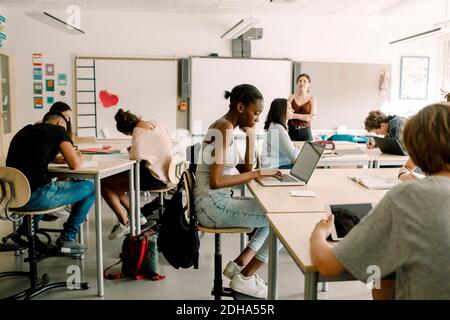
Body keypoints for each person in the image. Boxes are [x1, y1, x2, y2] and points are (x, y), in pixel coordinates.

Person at [310, 103, 450, 300]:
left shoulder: (408, 196)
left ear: (415, 150)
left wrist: (318, 233)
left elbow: (327, 265)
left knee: (377, 270)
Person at [194, 84, 282, 299]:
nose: (257, 118)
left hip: (215, 202)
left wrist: (251, 136)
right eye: (256, 113)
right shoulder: (224, 128)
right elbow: (216, 181)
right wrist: (258, 174)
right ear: (241, 107)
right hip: (212, 205)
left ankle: (241, 264)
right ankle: (246, 276)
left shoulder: (226, 127)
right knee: (280, 218)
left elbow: (246, 169)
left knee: (275, 213)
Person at [6, 111, 95, 255]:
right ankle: (67, 238)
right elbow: (75, 165)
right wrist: (80, 156)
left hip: (11, 198)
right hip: (37, 198)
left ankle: (24, 231)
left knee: (40, 183)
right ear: (61, 123)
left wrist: (54, 159)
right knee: (92, 187)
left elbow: (31, 154)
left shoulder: (25, 130)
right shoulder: (59, 130)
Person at [101, 109, 172, 240]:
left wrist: (133, 147)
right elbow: (152, 145)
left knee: (104, 183)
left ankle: (125, 222)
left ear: (127, 131)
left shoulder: (138, 131)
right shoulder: (155, 123)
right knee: (116, 184)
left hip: (155, 177)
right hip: (167, 173)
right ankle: (137, 217)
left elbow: (134, 156)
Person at [261, 98, 300, 169]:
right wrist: (296, 150)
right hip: (276, 169)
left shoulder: (275, 126)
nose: (293, 110)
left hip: (276, 166)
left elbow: (291, 155)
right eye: (289, 108)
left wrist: (293, 152)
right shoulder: (277, 128)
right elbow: (294, 156)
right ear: (281, 111)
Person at [287, 73, 317, 141]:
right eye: (300, 81)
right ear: (297, 83)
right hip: (292, 131)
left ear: (308, 84)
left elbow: (312, 117)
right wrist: (305, 117)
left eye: (304, 81)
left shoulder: (312, 99)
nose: (302, 83)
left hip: (306, 131)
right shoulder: (291, 97)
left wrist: (293, 115)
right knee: (292, 151)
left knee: (308, 151)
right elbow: (288, 115)